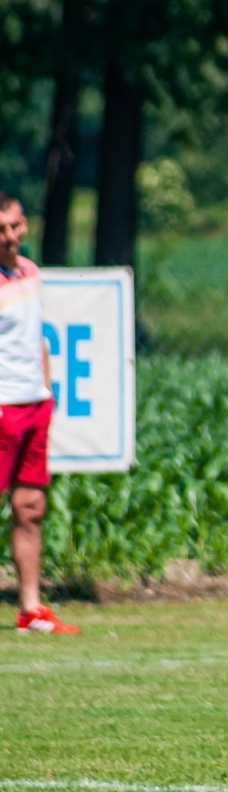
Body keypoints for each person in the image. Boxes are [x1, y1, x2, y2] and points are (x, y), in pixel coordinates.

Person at [0, 192, 76, 635]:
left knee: (29, 506)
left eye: (16, 225)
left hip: (33, 405)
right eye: (2, 230)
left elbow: (37, 339)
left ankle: (30, 608)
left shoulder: (29, 272)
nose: (11, 236)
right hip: (3, 407)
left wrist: (46, 390)